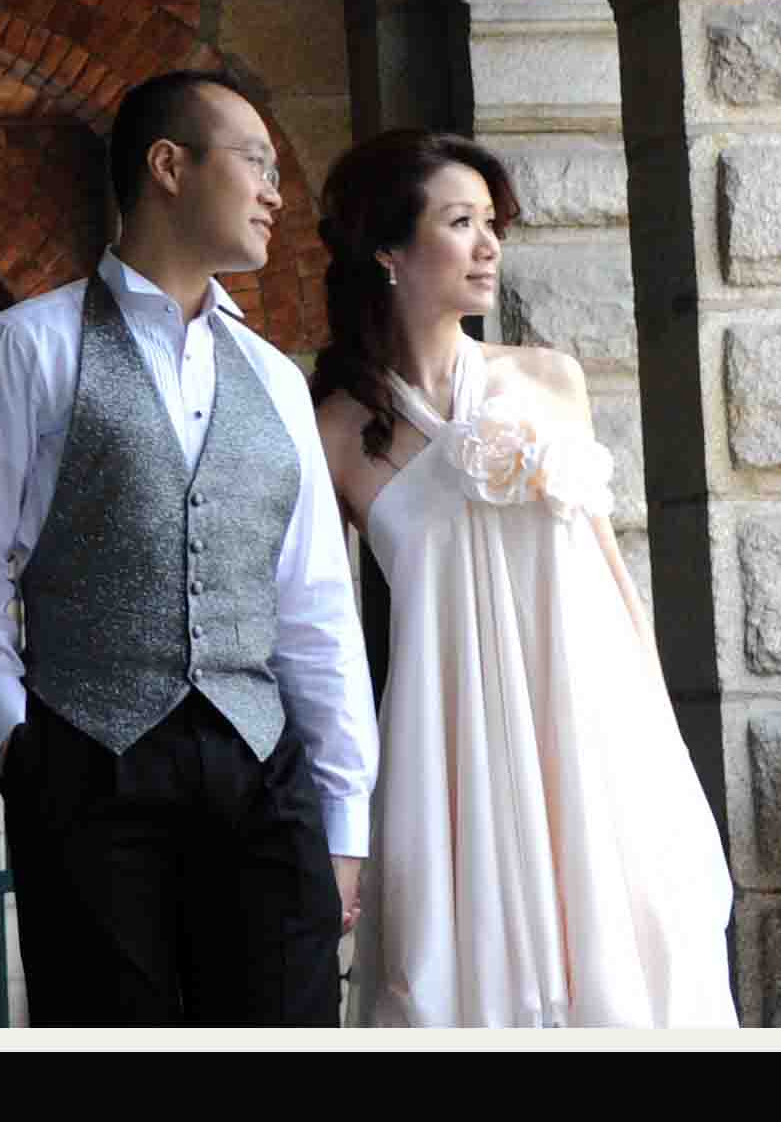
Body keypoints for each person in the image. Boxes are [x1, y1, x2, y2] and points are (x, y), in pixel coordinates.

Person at [0, 70, 373, 1027]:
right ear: (169, 165)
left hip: (262, 768)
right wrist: (19, 742)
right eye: (255, 161)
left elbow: (314, 606)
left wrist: (342, 815)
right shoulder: (27, 346)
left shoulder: (274, 379)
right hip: (88, 763)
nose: (275, 192)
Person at [306, 129, 736, 1029]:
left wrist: (656, 737)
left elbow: (610, 573)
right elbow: (319, 627)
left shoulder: (549, 379)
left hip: (587, 731)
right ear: (387, 249)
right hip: (446, 755)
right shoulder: (335, 431)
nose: (488, 245)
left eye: (491, 223)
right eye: (460, 221)